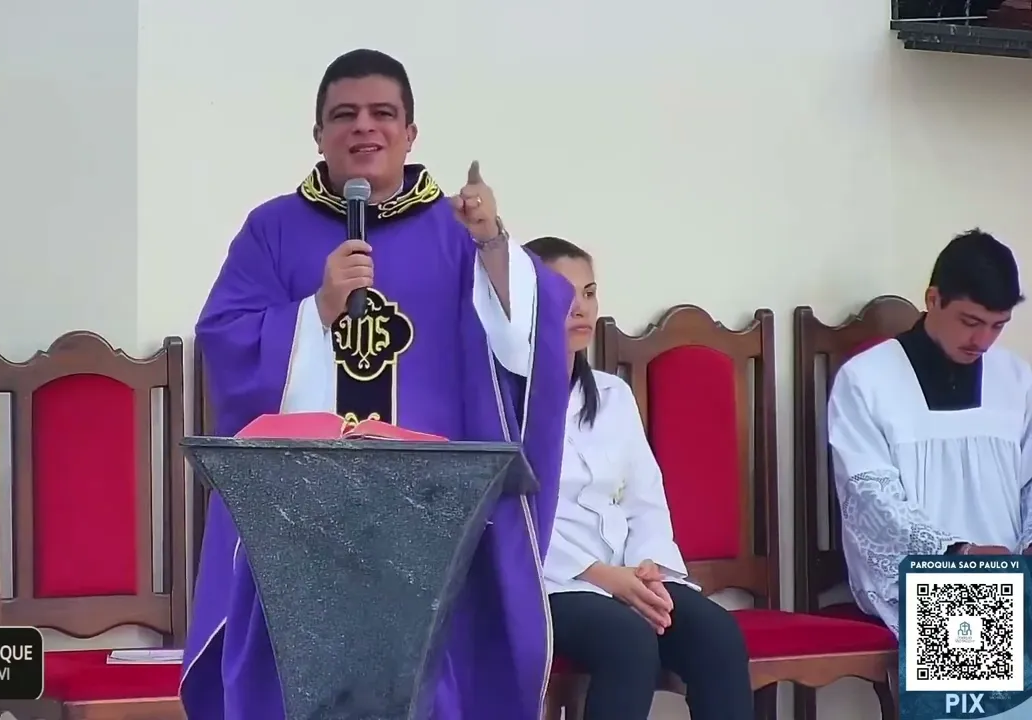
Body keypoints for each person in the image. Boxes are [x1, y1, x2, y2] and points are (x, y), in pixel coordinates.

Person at [182, 49, 575, 719]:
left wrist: (494, 245)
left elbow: (528, 342)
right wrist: (316, 310)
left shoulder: (457, 231)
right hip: (303, 510)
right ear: (318, 135)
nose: (364, 126)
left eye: (382, 113)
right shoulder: (272, 229)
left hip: (428, 511)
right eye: (344, 115)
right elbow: (225, 340)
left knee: (425, 682)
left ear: (410, 133)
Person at [525, 237, 754, 720]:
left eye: (589, 293)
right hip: (548, 582)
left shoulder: (613, 395)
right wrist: (602, 576)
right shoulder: (504, 401)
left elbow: (645, 498)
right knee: (627, 641)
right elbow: (512, 516)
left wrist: (648, 570)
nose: (580, 308)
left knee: (717, 634)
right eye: (563, 294)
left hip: (628, 572)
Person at [830, 228, 1032, 637]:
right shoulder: (866, 379)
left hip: (1014, 571)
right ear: (933, 299)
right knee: (976, 632)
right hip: (923, 577)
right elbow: (871, 500)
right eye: (970, 322)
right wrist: (957, 553)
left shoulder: (1016, 378)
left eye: (998, 326)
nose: (983, 341)